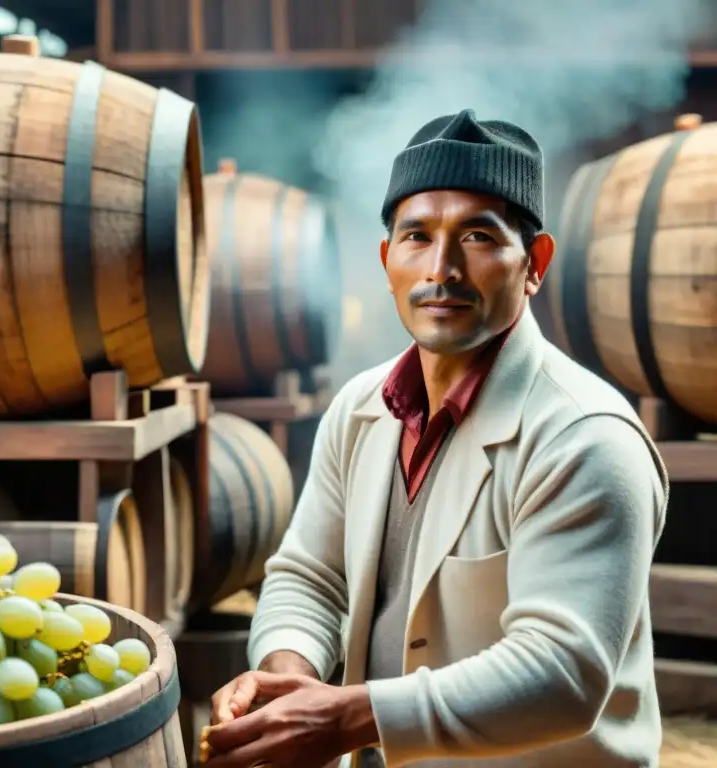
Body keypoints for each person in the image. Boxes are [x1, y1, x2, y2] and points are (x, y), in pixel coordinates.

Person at [203, 109, 669, 768]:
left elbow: (562, 674)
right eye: (417, 235)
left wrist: (344, 717)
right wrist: (291, 678)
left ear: (534, 263)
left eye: (478, 236)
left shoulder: (585, 437)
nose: (442, 268)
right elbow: (310, 577)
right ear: (388, 258)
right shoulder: (360, 407)